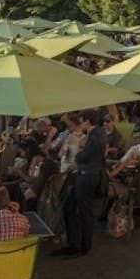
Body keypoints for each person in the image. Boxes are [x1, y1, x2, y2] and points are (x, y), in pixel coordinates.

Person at [56, 109, 105, 257]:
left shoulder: (95, 134)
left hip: (87, 176)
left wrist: (79, 152)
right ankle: (75, 244)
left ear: (87, 121)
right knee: (70, 207)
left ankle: (83, 246)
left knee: (83, 211)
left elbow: (84, 156)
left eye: (82, 121)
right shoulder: (96, 133)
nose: (81, 124)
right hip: (85, 174)